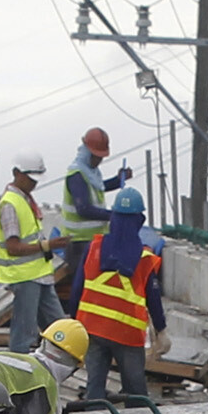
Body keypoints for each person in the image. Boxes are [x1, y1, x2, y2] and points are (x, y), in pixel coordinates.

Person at [76, 188, 163, 407]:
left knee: (94, 387)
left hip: (93, 328)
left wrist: (73, 321)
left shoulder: (93, 248)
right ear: (139, 220)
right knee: (135, 390)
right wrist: (161, 329)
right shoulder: (144, 257)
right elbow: (153, 298)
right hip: (126, 333)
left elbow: (77, 288)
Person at [0, 152, 61, 356]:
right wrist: (47, 245)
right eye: (31, 179)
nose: (34, 184)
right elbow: (13, 247)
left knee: (58, 327)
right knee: (24, 332)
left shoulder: (25, 200)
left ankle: (55, 366)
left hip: (39, 274)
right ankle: (17, 370)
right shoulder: (11, 204)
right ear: (17, 173)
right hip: (24, 276)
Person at [54, 128, 128, 315]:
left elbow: (100, 189)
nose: (99, 160)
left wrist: (119, 180)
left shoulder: (92, 174)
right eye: (96, 156)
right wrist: (114, 216)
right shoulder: (77, 174)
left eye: (101, 157)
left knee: (96, 288)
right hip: (79, 243)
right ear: (86, 151)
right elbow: (84, 208)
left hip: (94, 240)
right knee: (83, 289)